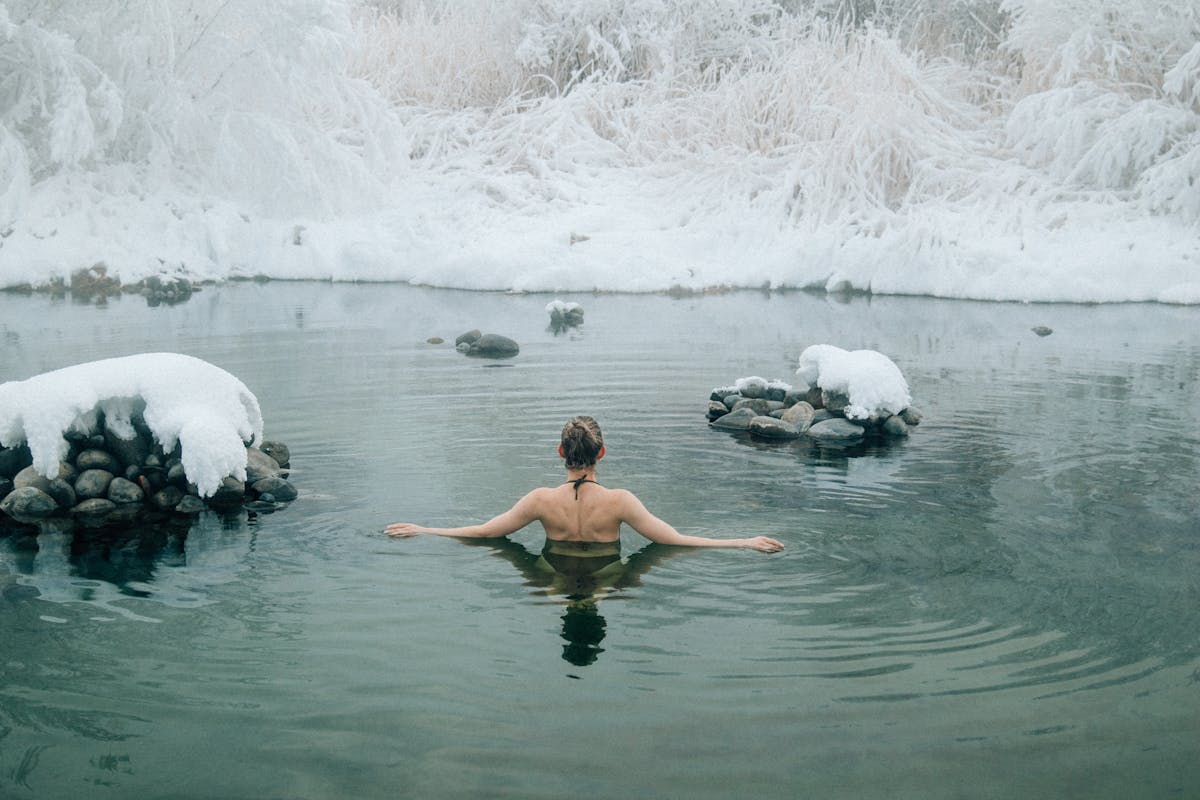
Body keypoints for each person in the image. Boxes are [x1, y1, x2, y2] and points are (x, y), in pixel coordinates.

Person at [385, 416, 784, 553]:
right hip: (606, 581)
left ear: (560, 452)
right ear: (603, 452)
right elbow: (672, 540)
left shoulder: (540, 500)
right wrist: (741, 542)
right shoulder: (620, 502)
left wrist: (425, 529)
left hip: (554, 579)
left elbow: (486, 533)